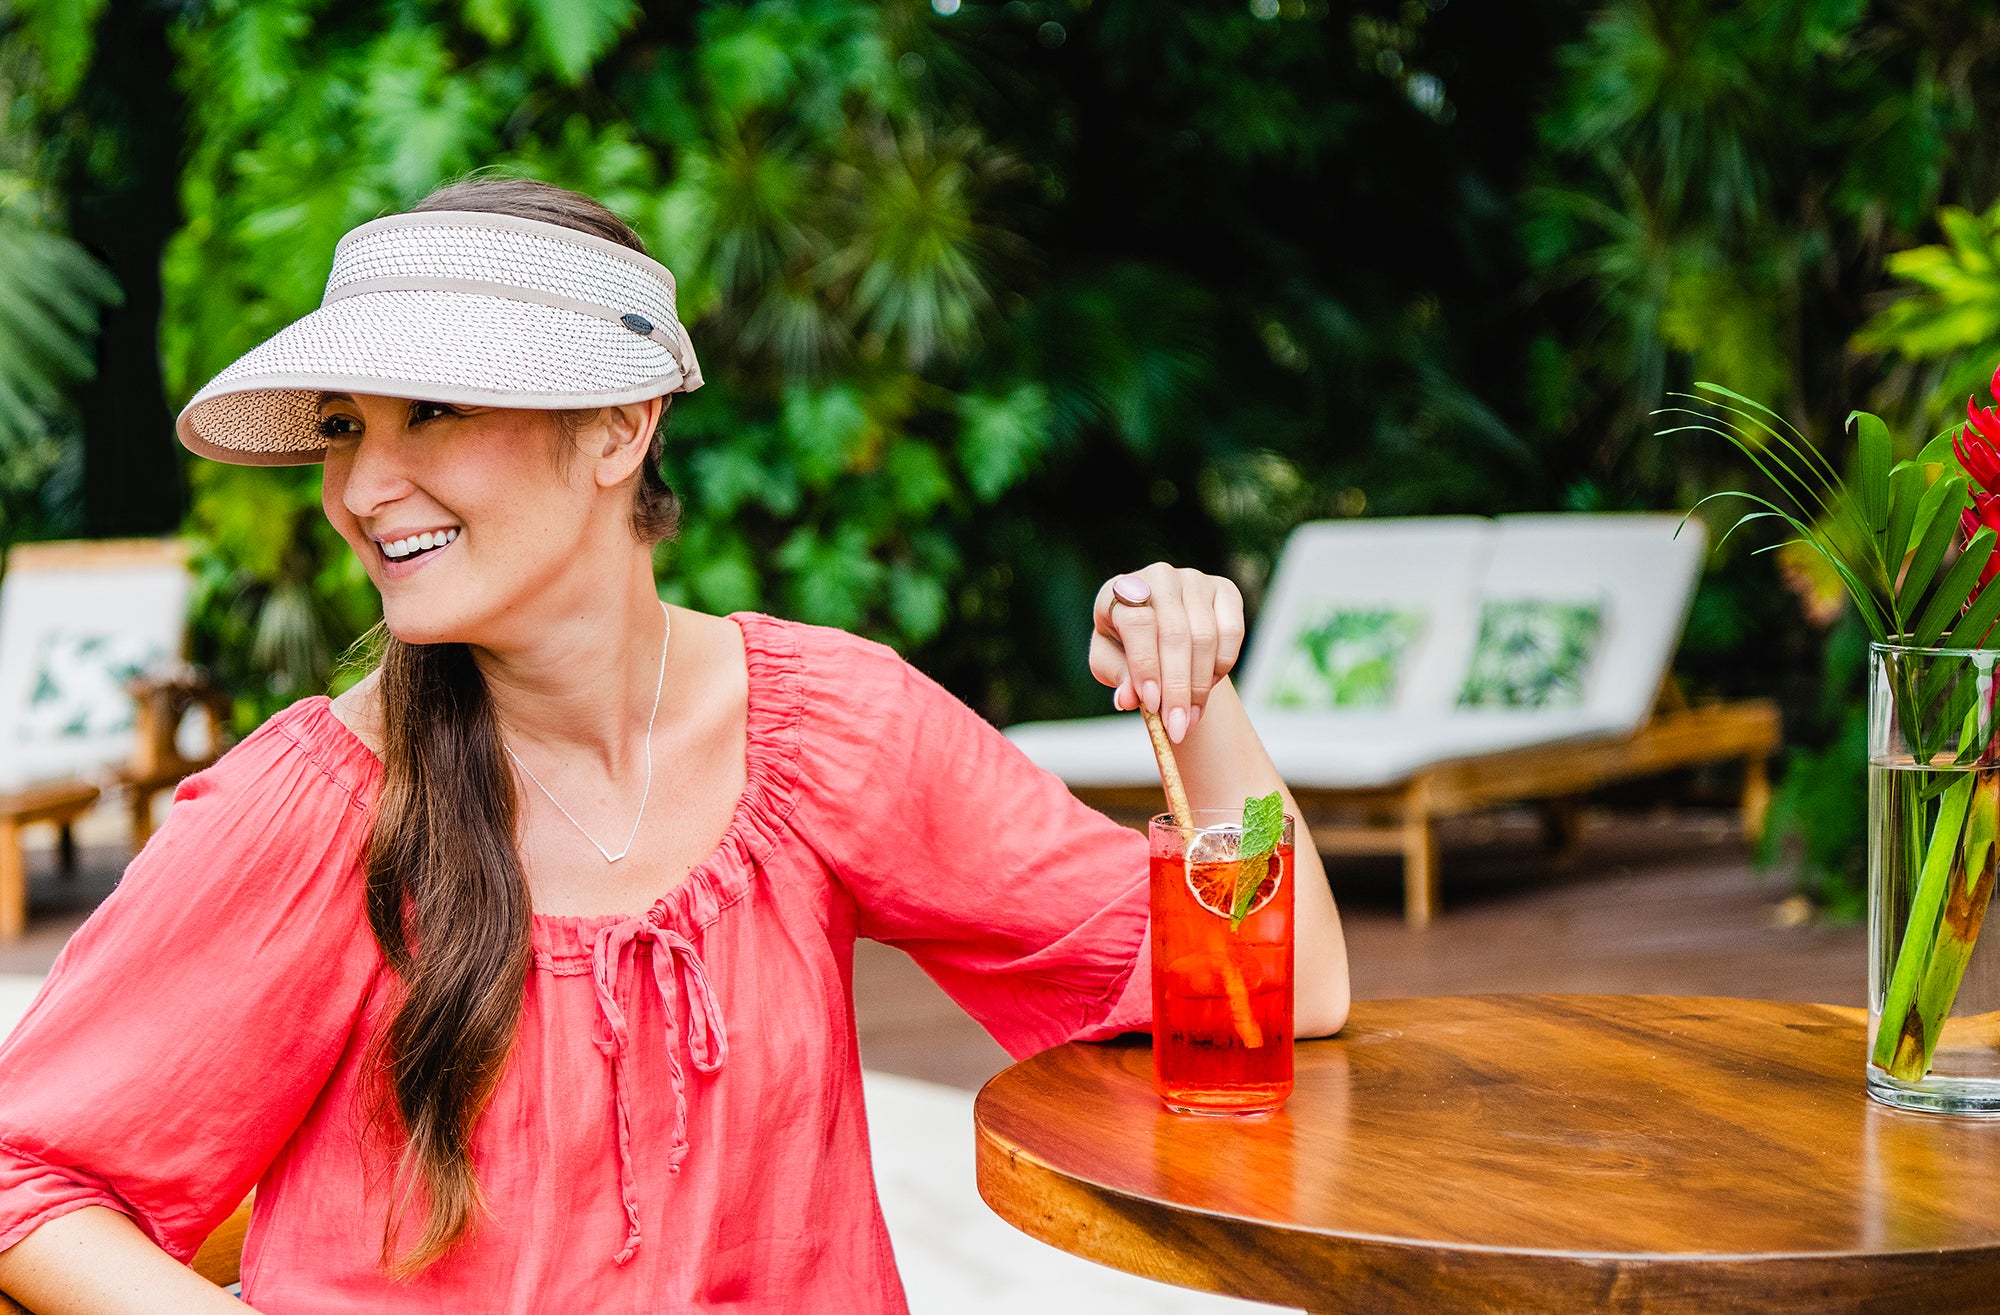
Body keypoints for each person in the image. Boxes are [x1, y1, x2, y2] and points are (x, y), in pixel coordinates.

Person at [0, 178, 1348, 1313]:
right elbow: (23, 1176)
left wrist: (1194, 692)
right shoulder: (317, 810)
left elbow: (1278, 997)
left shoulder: (829, 733)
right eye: (347, 428)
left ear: (619, 427)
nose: (359, 489)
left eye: (434, 412)